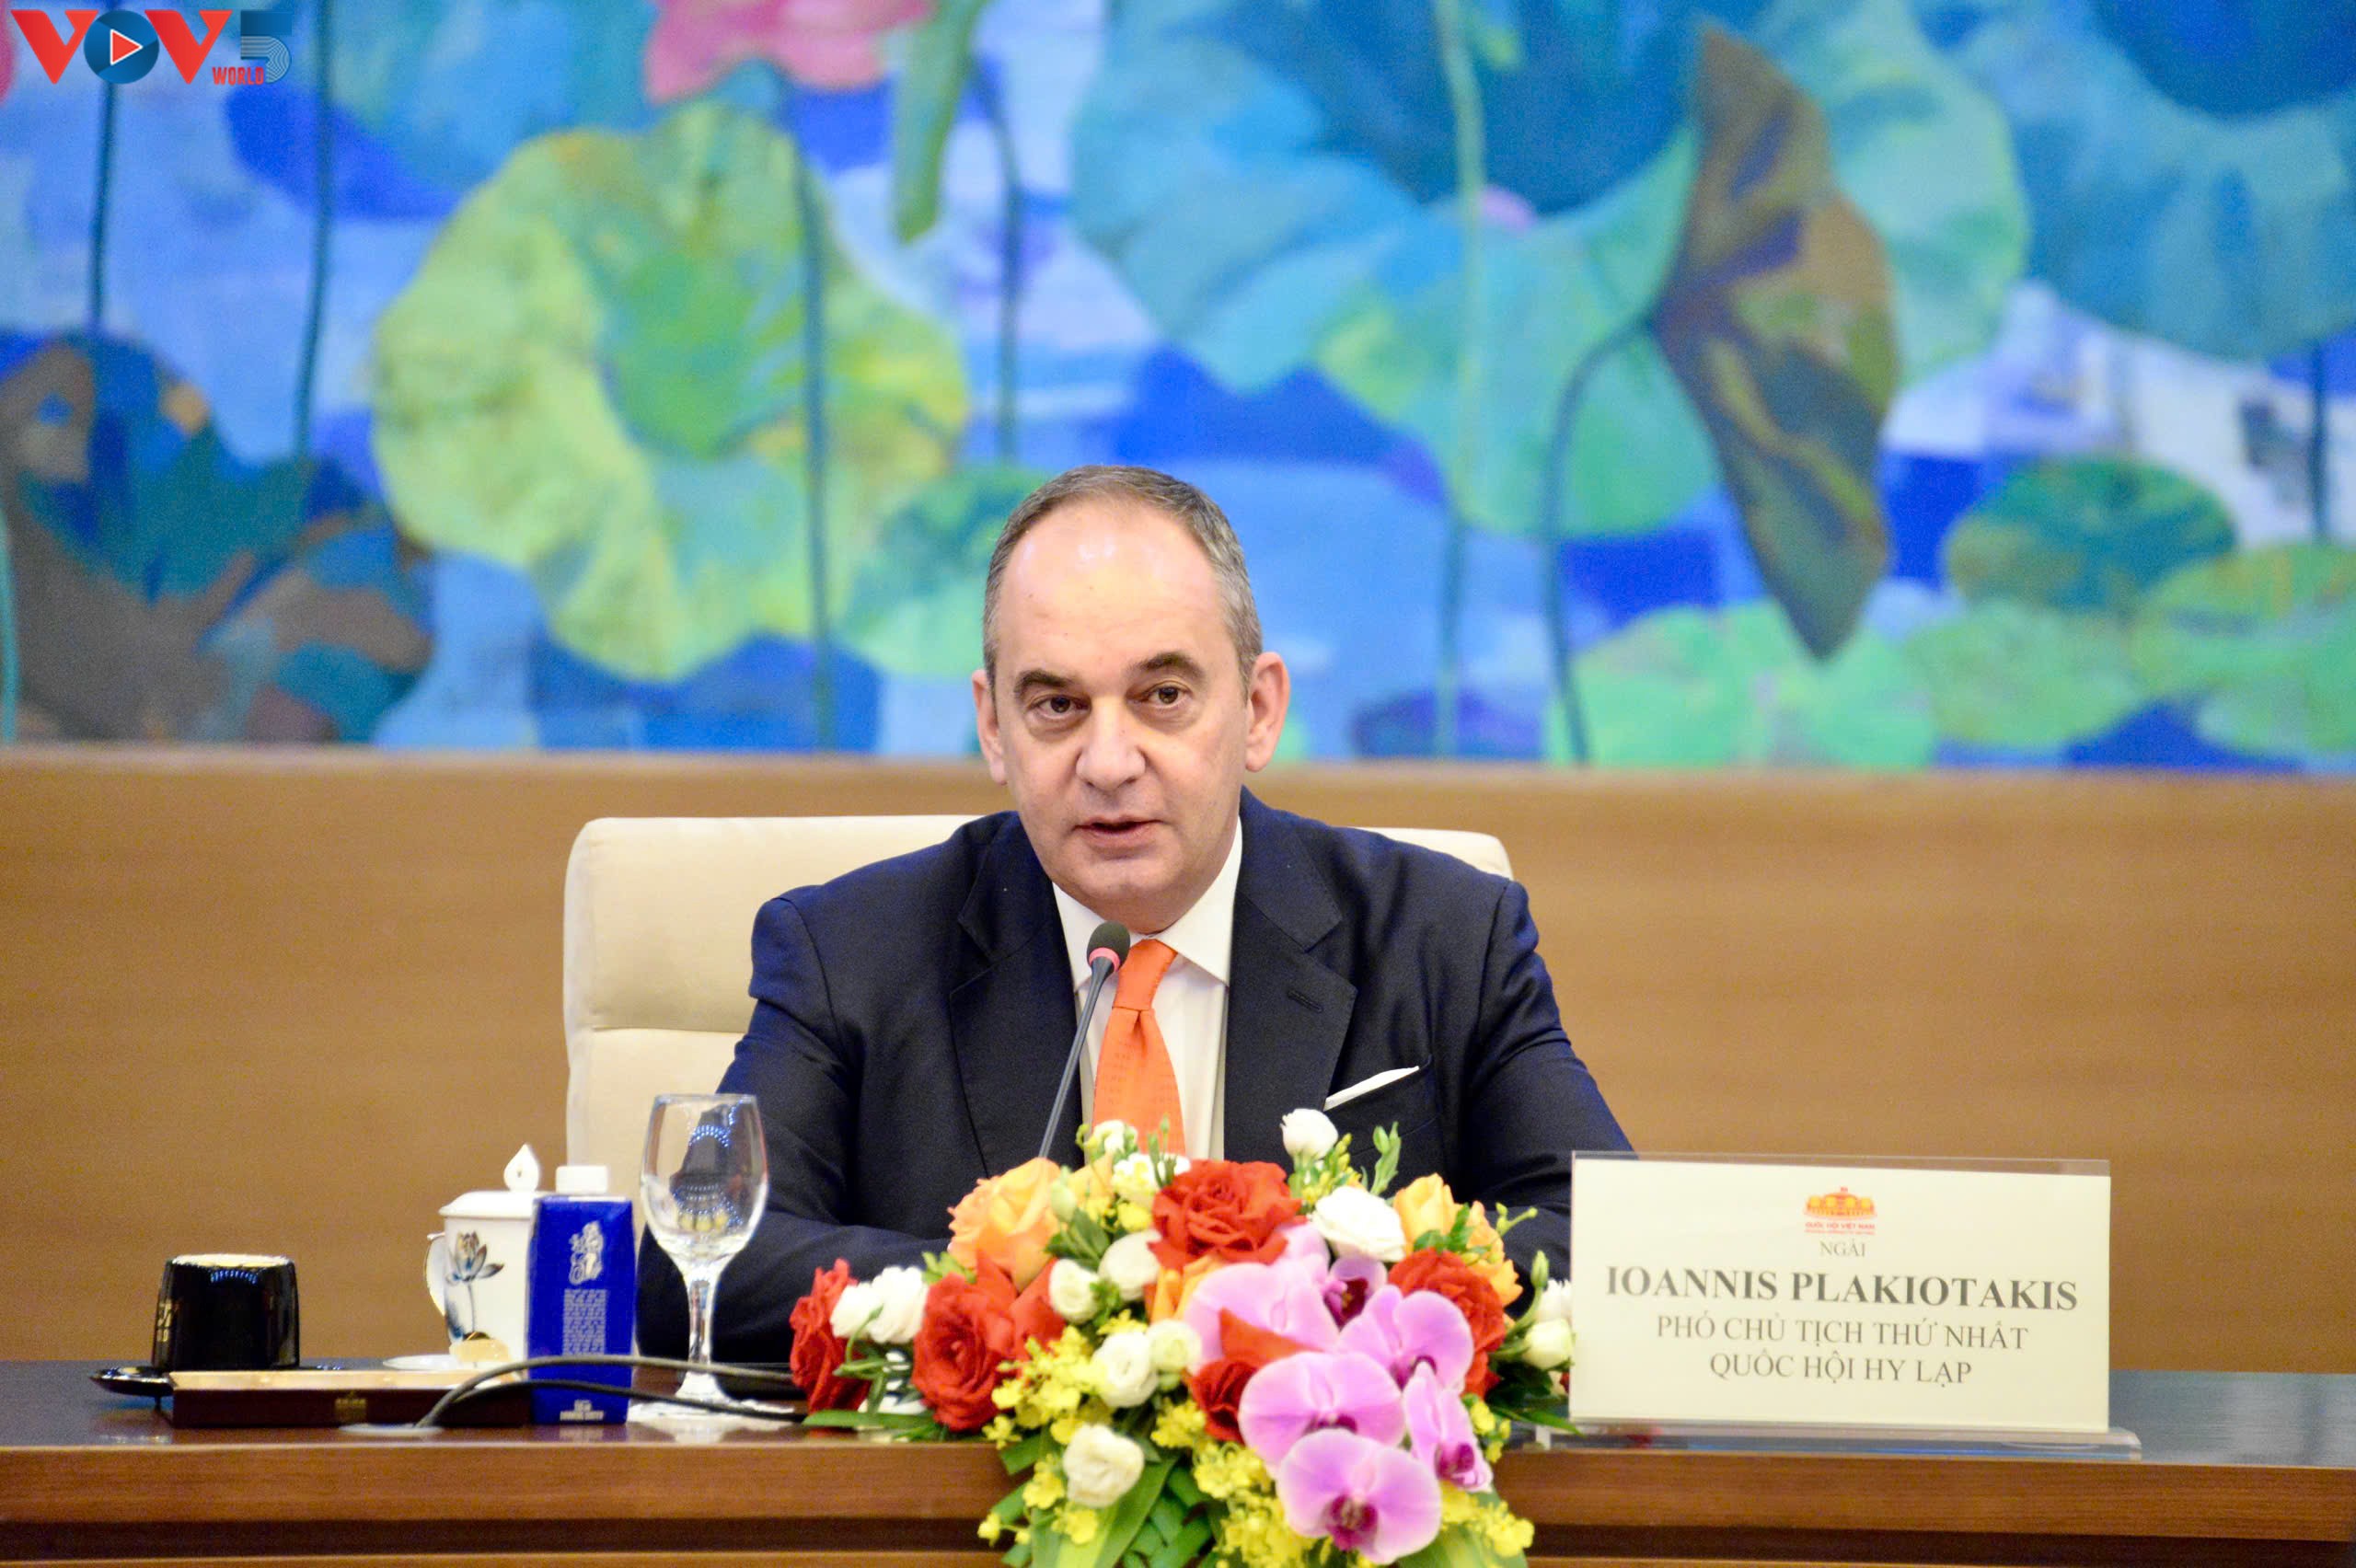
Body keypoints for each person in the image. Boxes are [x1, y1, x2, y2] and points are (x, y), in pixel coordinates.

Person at [638, 466, 1628, 1358]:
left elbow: (1613, 1245)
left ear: (1259, 710)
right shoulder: (849, 953)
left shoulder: (1444, 938)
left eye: (1162, 696)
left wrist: (1280, 1291)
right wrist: (1053, 1288)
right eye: (1057, 707)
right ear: (993, 726)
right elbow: (697, 1263)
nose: (1108, 763)